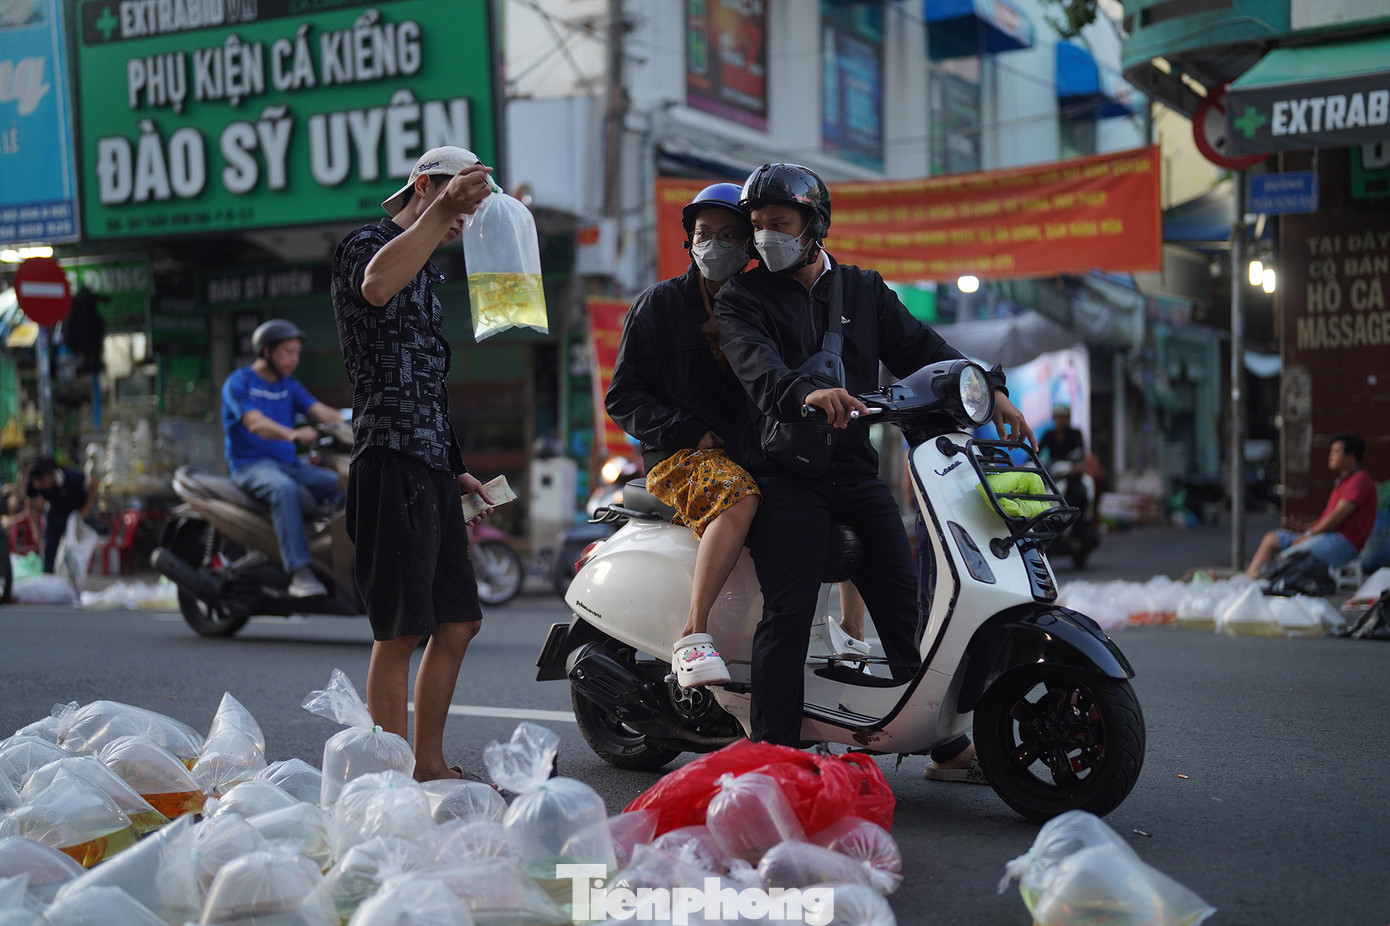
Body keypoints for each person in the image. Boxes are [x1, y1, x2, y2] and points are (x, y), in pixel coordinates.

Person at [714, 162, 1035, 747]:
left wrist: (989, 388)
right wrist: (803, 392)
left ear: (816, 225)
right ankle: (774, 751)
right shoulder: (742, 297)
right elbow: (757, 367)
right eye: (757, 225)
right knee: (788, 610)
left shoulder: (862, 289)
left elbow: (923, 349)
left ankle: (941, 737)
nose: (765, 236)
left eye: (779, 222)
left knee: (903, 598)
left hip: (854, 469)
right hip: (784, 472)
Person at [332, 145, 500, 783]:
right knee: (400, 630)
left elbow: (427, 379)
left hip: (430, 461)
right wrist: (440, 215)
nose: (461, 223)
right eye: (457, 206)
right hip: (389, 457)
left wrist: (457, 466)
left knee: (459, 621)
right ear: (427, 186)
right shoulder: (365, 245)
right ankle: (390, 776)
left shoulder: (428, 269)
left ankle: (425, 764)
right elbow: (375, 286)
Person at [606, 182, 761, 687]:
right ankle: (693, 636)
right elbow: (623, 397)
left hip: (753, 452)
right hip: (677, 457)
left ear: (749, 246)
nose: (715, 245)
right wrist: (691, 432)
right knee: (737, 498)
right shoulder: (658, 305)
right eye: (705, 234)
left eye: (730, 236)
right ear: (689, 241)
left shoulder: (765, 307)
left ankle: (837, 638)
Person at [222, 319, 345, 598]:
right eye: (288, 352)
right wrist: (292, 434)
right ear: (267, 351)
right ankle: (299, 571)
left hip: (290, 465)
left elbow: (321, 411)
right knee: (284, 489)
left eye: (297, 353)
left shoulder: (289, 386)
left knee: (345, 484)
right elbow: (255, 423)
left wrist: (358, 422)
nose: (295, 359)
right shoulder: (239, 383)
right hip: (251, 466)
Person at [1245, 432, 1377, 580]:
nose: (1331, 455)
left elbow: (1336, 518)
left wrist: (1307, 535)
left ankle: (1260, 583)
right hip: (1326, 535)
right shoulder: (1343, 481)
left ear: (1351, 457)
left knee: (1287, 558)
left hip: (1343, 542)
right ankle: (1248, 580)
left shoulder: (1359, 480)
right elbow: (1328, 520)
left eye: (1336, 452)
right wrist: (1307, 528)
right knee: (1271, 539)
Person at [24, 456, 97, 574]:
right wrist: (35, 529)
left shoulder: (70, 476)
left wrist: (86, 509)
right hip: (56, 511)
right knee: (50, 547)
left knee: (77, 547)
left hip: (77, 512)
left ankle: (80, 575)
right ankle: (48, 576)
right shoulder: (34, 482)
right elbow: (31, 506)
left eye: (44, 480)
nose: (43, 484)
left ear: (51, 474)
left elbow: (94, 482)